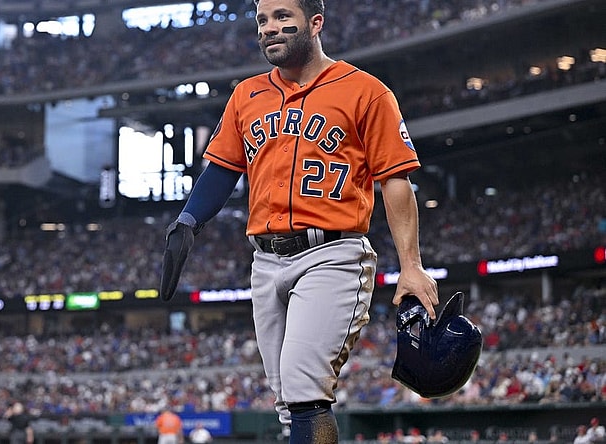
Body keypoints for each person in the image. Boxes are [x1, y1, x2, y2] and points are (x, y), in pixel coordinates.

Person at [159, 0, 438, 442]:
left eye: (283, 17)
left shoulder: (366, 91)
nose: (270, 28)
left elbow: (395, 180)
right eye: (263, 20)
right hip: (265, 261)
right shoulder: (246, 94)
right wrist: (188, 220)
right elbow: (223, 168)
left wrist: (411, 265)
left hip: (333, 253)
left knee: (305, 389)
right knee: (288, 402)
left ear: (315, 22)